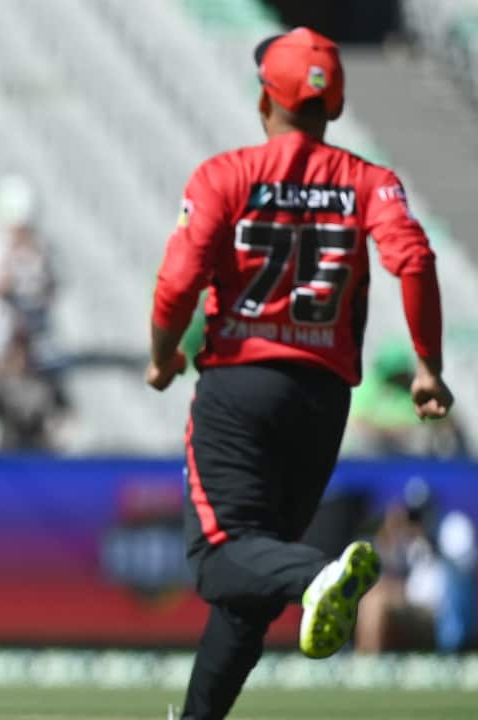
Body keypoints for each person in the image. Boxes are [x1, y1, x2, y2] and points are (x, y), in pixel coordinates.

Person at [145, 27, 454, 719]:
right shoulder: (368, 181)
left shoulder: (224, 175)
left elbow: (179, 280)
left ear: (264, 99)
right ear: (334, 105)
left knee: (221, 558)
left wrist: (165, 352)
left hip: (240, 386)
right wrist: (428, 366)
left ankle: (318, 573)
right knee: (252, 574)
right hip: (321, 397)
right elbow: (415, 261)